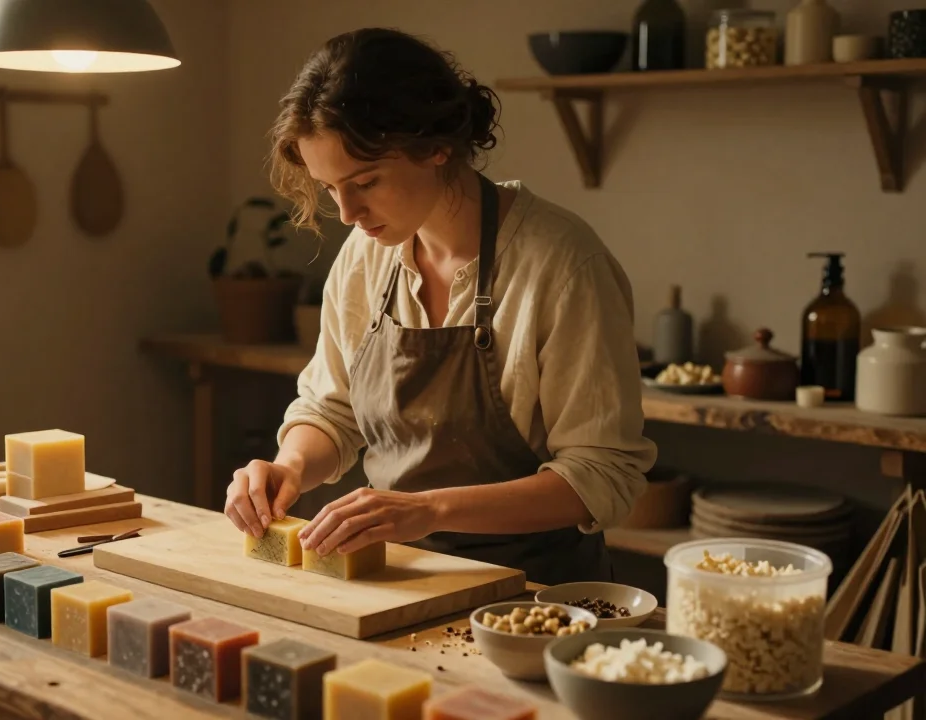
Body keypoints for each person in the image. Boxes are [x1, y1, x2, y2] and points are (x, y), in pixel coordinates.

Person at [223, 27, 657, 585]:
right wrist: (290, 466)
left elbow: (603, 474)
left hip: (532, 595)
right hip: (393, 577)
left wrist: (428, 510)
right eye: (331, 189)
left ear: (436, 147)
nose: (349, 213)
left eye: (366, 182)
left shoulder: (562, 265)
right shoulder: (366, 255)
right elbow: (333, 410)